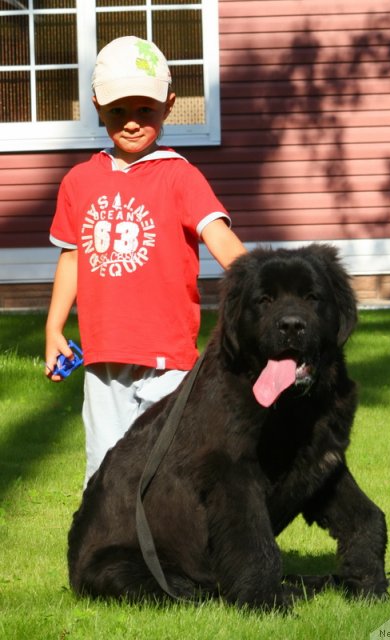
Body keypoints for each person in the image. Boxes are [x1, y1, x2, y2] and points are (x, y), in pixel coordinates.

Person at [45, 36, 246, 486]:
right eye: (118, 111)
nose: (132, 123)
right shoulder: (79, 183)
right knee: (105, 472)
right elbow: (72, 257)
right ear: (97, 105)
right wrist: (54, 327)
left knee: (173, 470)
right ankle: (102, 554)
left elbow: (220, 237)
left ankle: (174, 553)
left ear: (168, 105)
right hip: (103, 358)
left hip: (169, 359)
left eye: (145, 110)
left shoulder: (180, 176)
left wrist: (266, 286)